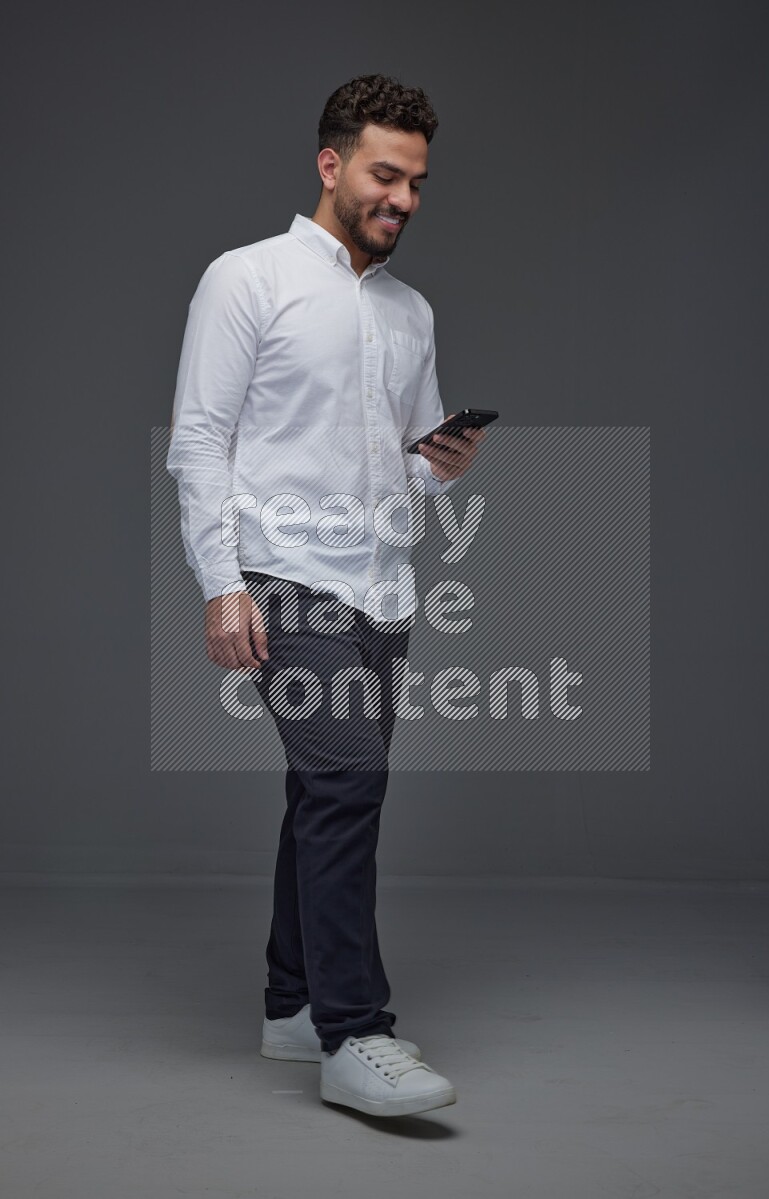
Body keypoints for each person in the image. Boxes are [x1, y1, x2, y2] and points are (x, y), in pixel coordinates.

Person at [166, 73, 487, 1118]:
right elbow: (200, 441)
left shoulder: (411, 312)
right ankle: (357, 1031)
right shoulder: (245, 279)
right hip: (282, 577)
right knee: (349, 783)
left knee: (323, 793)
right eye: (384, 175)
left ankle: (293, 1004)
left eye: (417, 182)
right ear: (331, 164)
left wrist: (438, 468)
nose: (401, 198)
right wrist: (223, 584)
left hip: (379, 587)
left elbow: (399, 468)